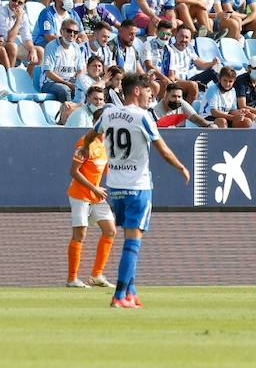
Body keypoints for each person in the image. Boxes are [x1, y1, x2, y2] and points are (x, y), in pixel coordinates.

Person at [81, 72, 190, 309]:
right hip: (138, 187)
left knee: (128, 239)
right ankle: (120, 295)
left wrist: (84, 149)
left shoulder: (108, 112)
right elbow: (163, 150)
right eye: (149, 91)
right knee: (133, 242)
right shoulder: (142, 117)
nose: (151, 95)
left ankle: (131, 292)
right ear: (137, 91)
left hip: (115, 187)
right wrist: (181, 166)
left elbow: (91, 134)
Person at [66, 118, 115, 290]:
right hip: (80, 195)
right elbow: (74, 171)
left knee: (110, 231)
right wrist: (94, 188)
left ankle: (96, 275)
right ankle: (72, 279)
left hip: (96, 196)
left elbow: (107, 169)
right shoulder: (84, 142)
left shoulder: (106, 144)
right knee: (80, 235)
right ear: (96, 123)